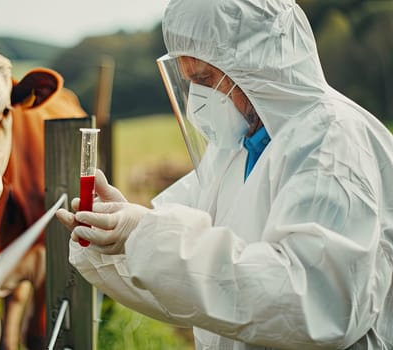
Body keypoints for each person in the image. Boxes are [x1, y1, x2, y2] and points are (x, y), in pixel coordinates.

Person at [55, 0, 393, 349]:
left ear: (259, 64)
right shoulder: (240, 146)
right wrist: (119, 232)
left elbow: (315, 306)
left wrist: (144, 234)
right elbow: (193, 275)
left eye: (204, 78)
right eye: (188, 81)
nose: (197, 98)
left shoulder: (330, 142)